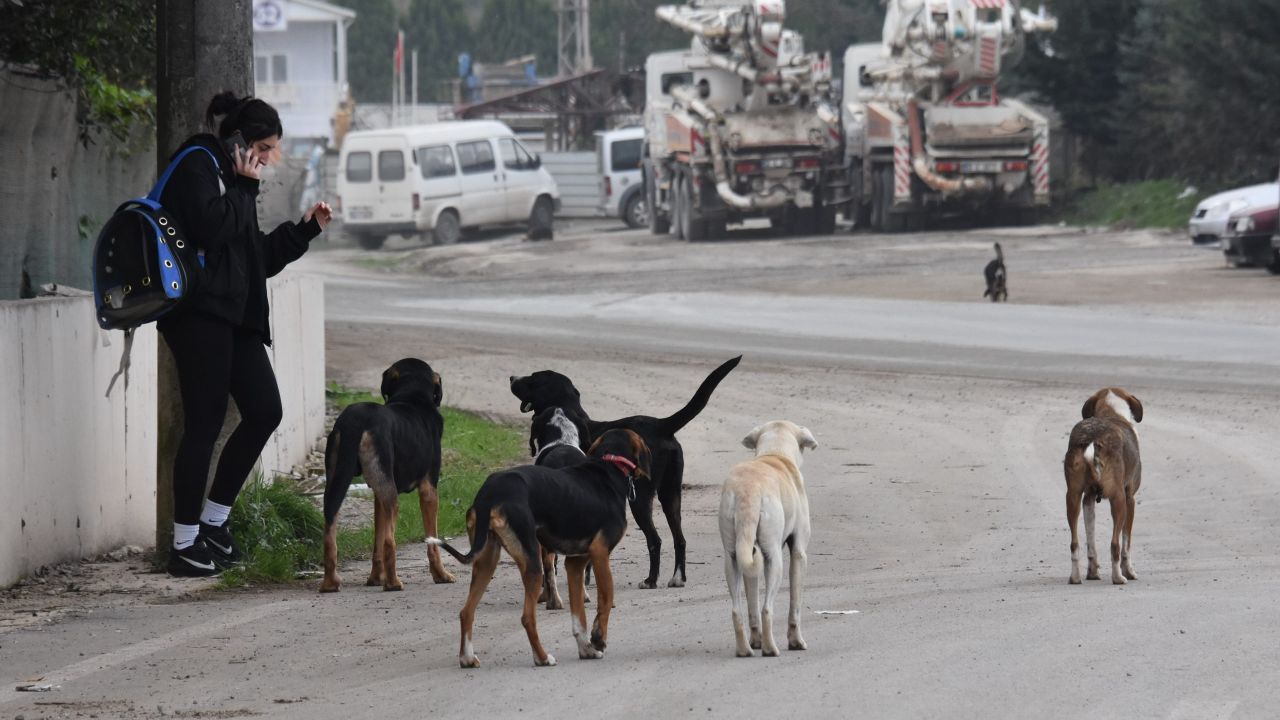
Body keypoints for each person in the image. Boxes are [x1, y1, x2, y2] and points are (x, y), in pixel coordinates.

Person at [158, 91, 332, 576]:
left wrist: (304, 231)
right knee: (204, 425)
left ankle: (214, 524)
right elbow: (211, 231)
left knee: (264, 411)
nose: (271, 159)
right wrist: (245, 188)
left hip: (233, 320)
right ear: (241, 142)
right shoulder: (199, 165)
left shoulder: (232, 182)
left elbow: (251, 258)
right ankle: (184, 544)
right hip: (198, 317)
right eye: (266, 148)